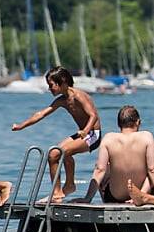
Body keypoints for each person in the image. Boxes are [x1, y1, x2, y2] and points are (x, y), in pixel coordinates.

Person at [11, 66, 101, 201]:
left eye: (51, 85)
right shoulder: (62, 100)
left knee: (62, 151)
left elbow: (93, 115)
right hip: (82, 134)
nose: (49, 88)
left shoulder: (79, 96)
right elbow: (40, 114)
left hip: (93, 134)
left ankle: (66, 188)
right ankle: (62, 189)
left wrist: (85, 131)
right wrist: (20, 126)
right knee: (53, 154)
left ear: (63, 81)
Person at [78, 106, 154, 204]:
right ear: (138, 122)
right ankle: (142, 195)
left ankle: (106, 203)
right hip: (142, 195)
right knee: (153, 165)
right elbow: (153, 170)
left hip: (114, 197)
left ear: (119, 124)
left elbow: (99, 170)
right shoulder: (146, 136)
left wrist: (87, 198)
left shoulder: (108, 139)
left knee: (100, 167)